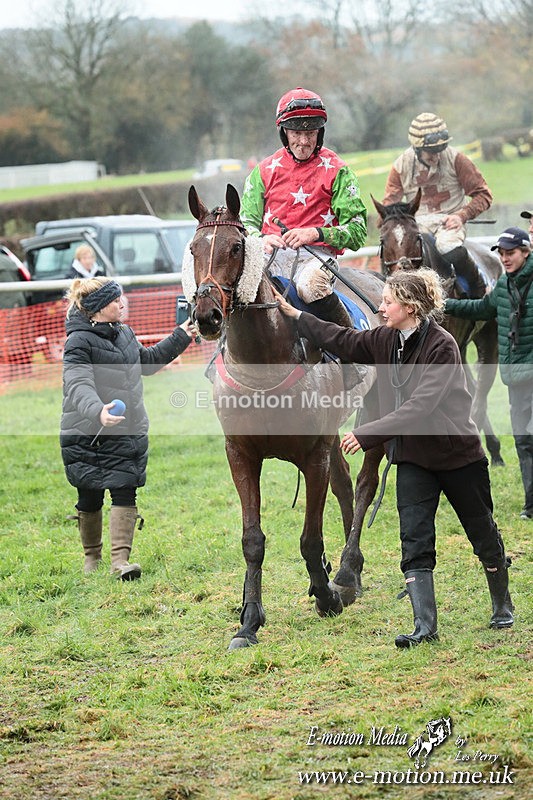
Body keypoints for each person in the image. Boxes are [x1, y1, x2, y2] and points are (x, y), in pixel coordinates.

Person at [274, 268, 514, 647]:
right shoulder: (386, 338)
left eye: (388, 302)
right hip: (414, 459)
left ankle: (502, 605)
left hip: (458, 458)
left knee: (482, 533)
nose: (381, 308)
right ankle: (425, 627)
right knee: (414, 539)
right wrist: (297, 317)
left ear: (411, 306)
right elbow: (344, 339)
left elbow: (420, 408)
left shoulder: (443, 346)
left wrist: (365, 434)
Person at [61, 276, 196, 579]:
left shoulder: (124, 333)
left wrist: (181, 335)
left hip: (127, 429)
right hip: (89, 434)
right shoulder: (78, 342)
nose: (122, 304)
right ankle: (91, 559)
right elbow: (77, 382)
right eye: (115, 300)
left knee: (125, 491)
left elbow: (146, 361)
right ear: (97, 309)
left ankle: (120, 562)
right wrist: (97, 411)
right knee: (90, 496)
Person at [240, 87, 367, 327]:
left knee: (309, 287)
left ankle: (350, 347)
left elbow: (358, 231)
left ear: (321, 132)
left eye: (312, 133)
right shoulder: (263, 171)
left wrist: (315, 233)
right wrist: (260, 239)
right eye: (297, 132)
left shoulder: (339, 171)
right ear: (284, 132)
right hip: (268, 256)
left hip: (316, 258)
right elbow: (245, 223)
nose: (304, 141)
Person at [446, 227, 533, 521]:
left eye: (511, 253)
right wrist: (441, 305)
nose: (505, 259)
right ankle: (531, 505)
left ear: (526, 252)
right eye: (502, 254)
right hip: (517, 378)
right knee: (523, 439)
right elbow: (481, 307)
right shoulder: (503, 287)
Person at [382, 112, 493, 296]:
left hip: (450, 222)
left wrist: (461, 216)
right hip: (417, 224)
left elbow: (484, 195)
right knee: (395, 246)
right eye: (431, 151)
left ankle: (479, 289)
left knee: (447, 247)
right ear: (416, 148)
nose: (437, 155)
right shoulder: (401, 166)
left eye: (441, 149)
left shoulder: (457, 159)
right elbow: (389, 205)